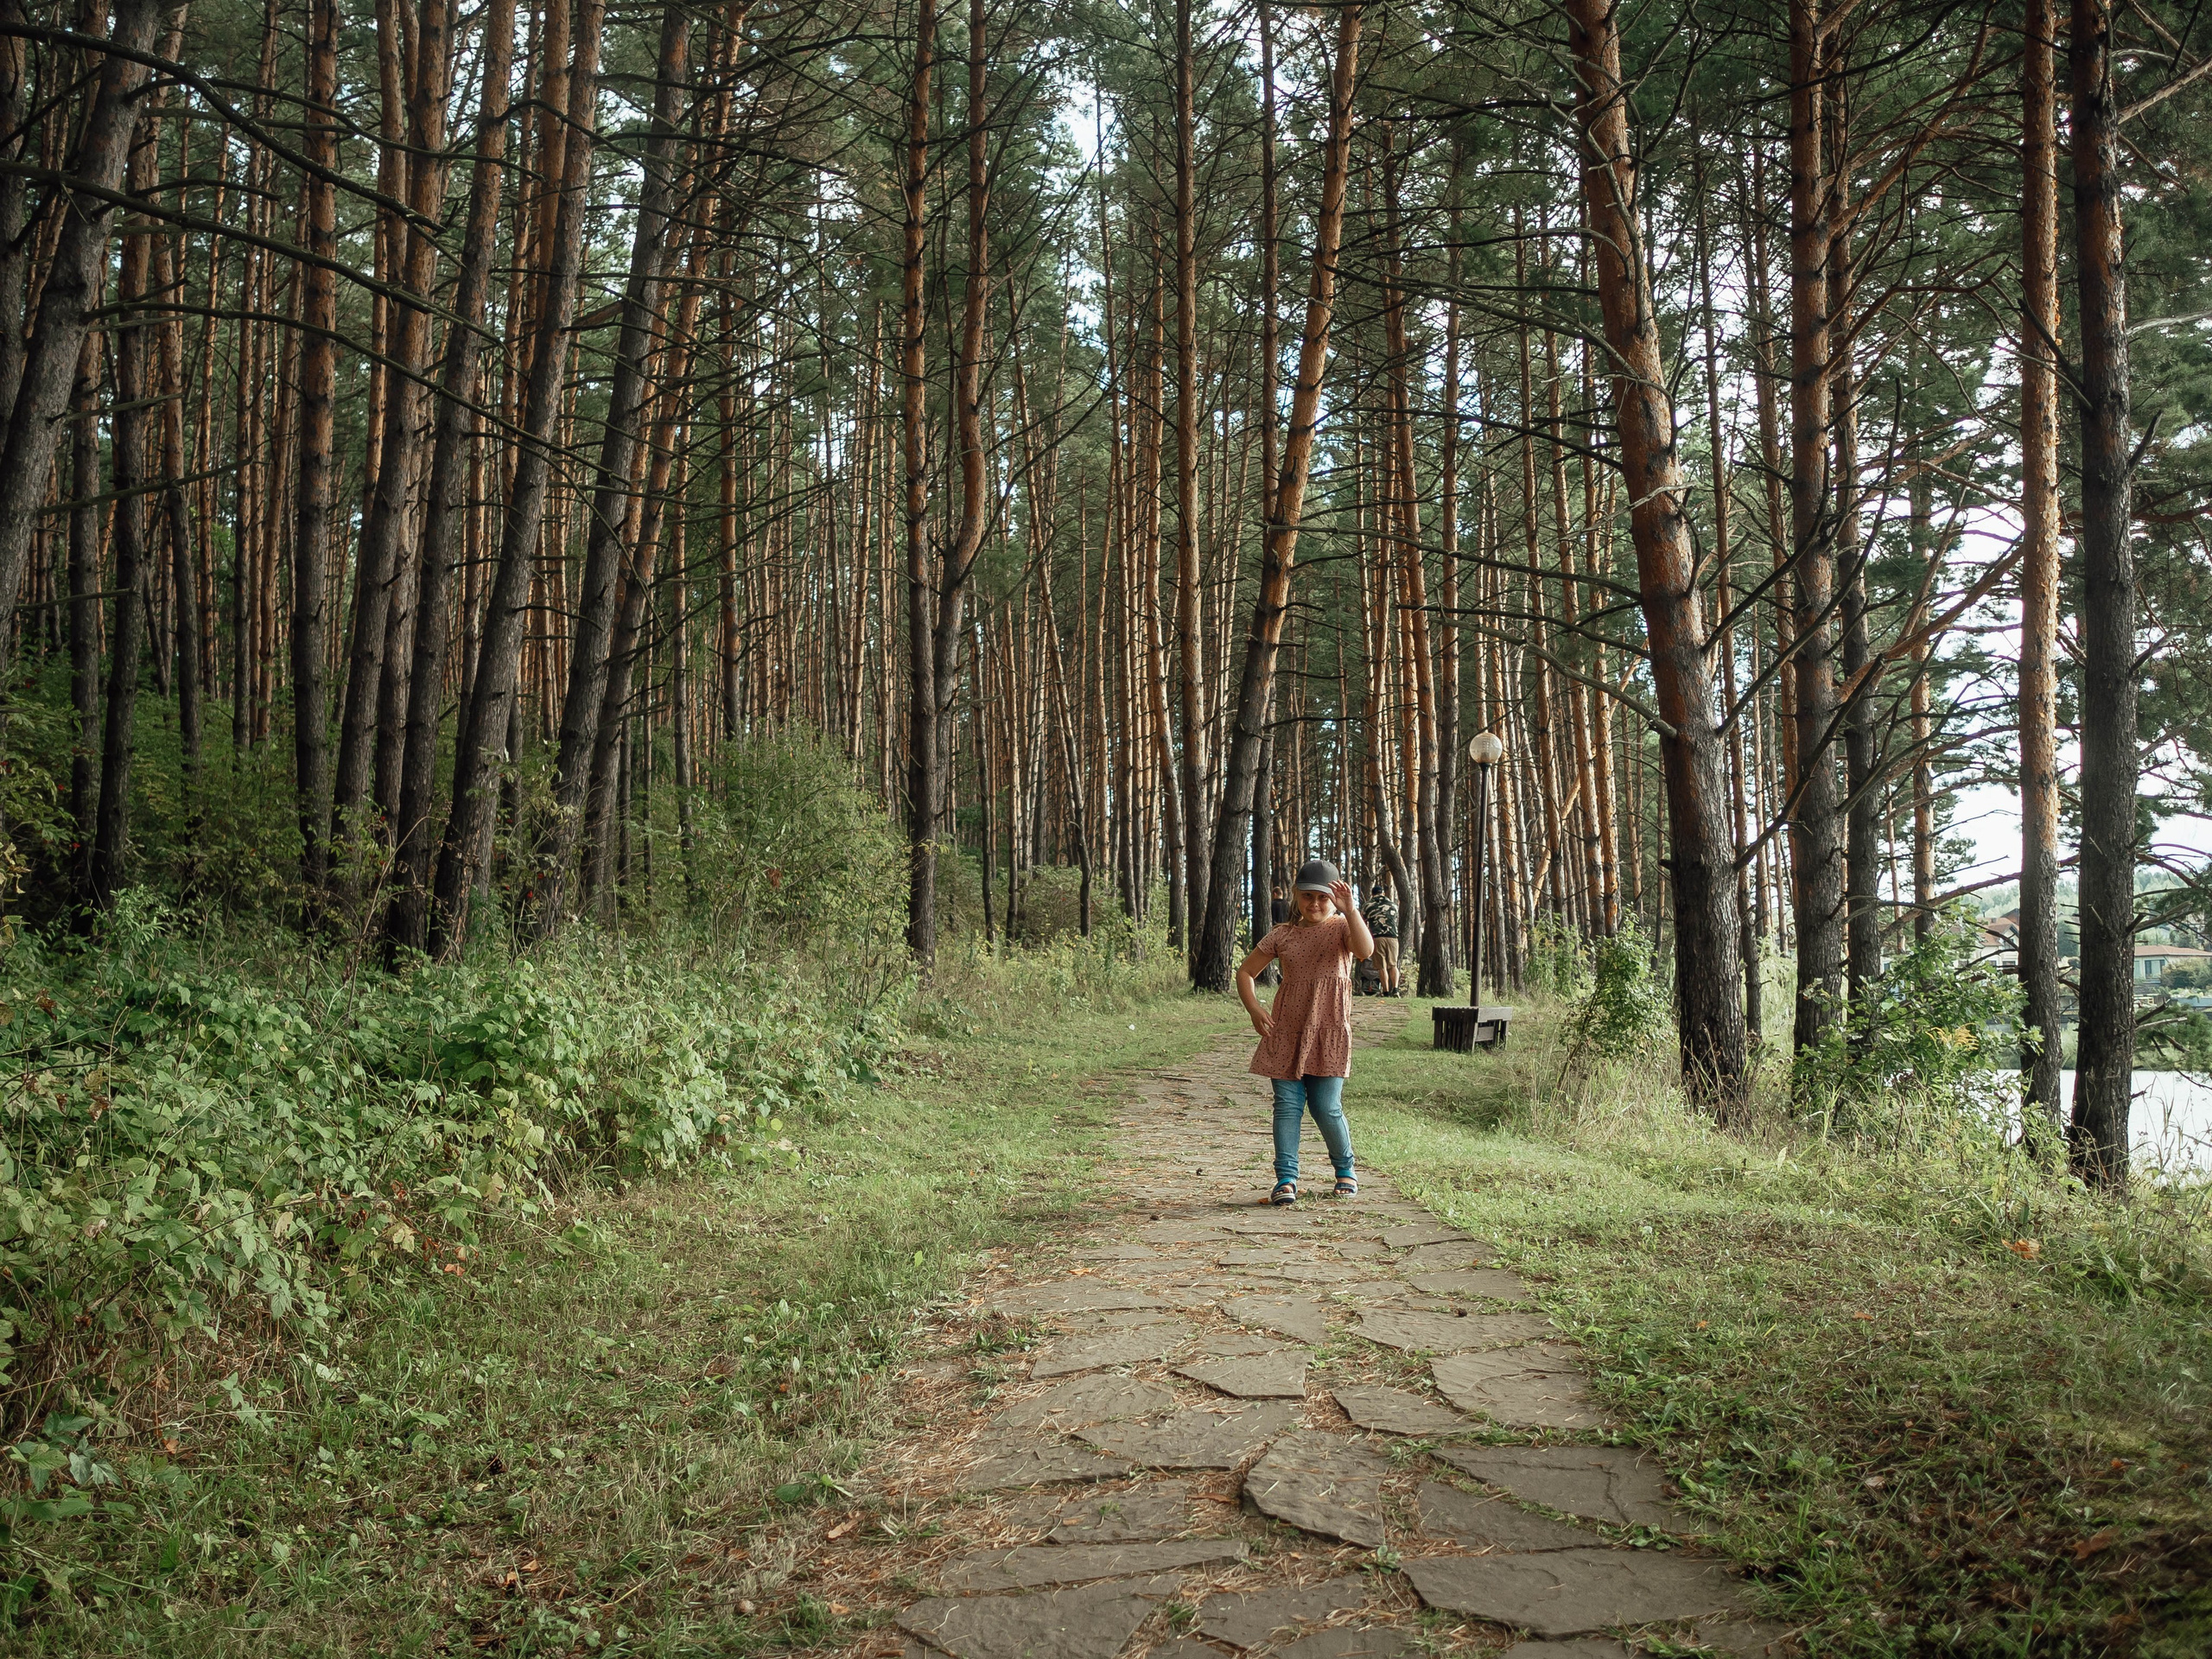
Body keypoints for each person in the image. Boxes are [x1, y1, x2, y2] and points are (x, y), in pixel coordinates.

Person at [1235, 858, 1376, 1206]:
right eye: (1308, 896)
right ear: (1296, 896)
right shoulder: (1282, 934)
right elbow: (1245, 973)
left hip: (1329, 1029)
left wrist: (1351, 910)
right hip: (1287, 1031)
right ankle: (1286, 1179)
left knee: (1326, 1106)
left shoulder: (1343, 927)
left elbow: (1365, 951)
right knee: (1286, 1106)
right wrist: (1255, 1009)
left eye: (1323, 897)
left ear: (1334, 898)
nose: (1315, 904)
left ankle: (1345, 1170)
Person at [1364, 881, 1402, 996]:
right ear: (1383, 893)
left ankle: (1386, 992)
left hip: (1377, 937)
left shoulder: (1368, 905)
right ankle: (1395, 989)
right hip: (1392, 938)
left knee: (1382, 967)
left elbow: (1363, 922)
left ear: (1372, 894)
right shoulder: (1393, 904)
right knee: (1393, 965)